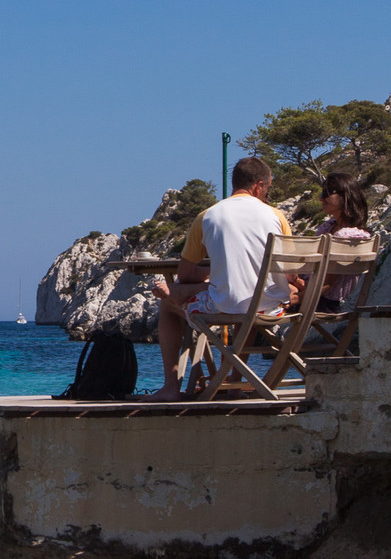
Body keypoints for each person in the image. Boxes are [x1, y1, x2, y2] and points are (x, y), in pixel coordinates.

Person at [153, 157, 290, 399]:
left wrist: (213, 274)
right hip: (270, 308)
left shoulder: (208, 216)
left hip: (226, 304)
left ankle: (171, 387)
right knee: (246, 302)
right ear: (259, 185)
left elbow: (184, 274)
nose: (266, 193)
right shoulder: (276, 216)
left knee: (168, 304)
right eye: (267, 188)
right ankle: (234, 382)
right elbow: (290, 272)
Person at [313, 170, 371, 309]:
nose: (321, 199)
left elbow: (326, 285)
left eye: (326, 193)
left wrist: (295, 298)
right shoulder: (328, 228)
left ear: (344, 195)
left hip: (324, 301)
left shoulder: (348, 237)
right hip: (314, 294)